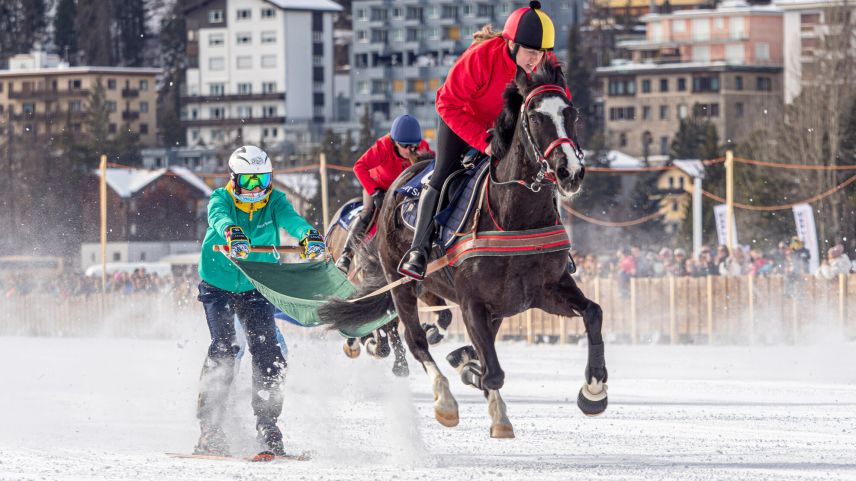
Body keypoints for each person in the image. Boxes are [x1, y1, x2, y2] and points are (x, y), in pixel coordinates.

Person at [397, 1, 559, 280]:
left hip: (503, 123)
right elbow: (446, 104)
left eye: (542, 53)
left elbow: (556, 99)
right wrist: (481, 142)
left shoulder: (544, 62)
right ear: (511, 44)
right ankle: (418, 250)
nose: (536, 60)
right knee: (443, 172)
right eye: (532, 52)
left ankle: (556, 246)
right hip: (462, 117)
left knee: (542, 169)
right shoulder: (481, 58)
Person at [194, 145, 326, 457]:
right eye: (249, 182)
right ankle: (210, 428)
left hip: (256, 284)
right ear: (234, 179)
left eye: (263, 180)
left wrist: (308, 235)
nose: (257, 189)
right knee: (225, 346)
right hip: (219, 282)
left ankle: (268, 424)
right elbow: (218, 217)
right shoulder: (221, 197)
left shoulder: (275, 200)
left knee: (268, 350)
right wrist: (232, 233)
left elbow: (292, 220)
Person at [336, 114, 434, 272]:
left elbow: (433, 164)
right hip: (378, 187)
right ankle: (346, 256)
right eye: (406, 145)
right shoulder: (382, 147)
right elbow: (359, 167)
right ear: (395, 142)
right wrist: (375, 192)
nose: (411, 149)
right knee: (368, 212)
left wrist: (427, 158)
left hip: (402, 191)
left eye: (414, 145)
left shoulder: (420, 147)